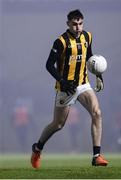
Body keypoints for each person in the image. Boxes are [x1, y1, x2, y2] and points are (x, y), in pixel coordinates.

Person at [31, 9, 108, 168]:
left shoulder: (87, 36)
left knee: (97, 113)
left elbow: (89, 58)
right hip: (65, 87)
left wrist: (98, 75)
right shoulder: (61, 41)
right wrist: (62, 81)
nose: (78, 27)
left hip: (82, 84)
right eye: (74, 24)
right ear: (68, 24)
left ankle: (96, 156)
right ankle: (37, 148)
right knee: (58, 124)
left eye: (80, 23)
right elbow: (48, 65)